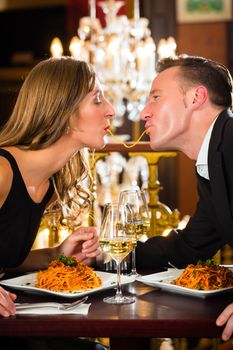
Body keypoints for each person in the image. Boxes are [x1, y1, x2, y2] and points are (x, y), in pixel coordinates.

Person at [0, 56, 114, 349]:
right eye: (97, 99)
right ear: (62, 110)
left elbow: (6, 257)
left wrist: (56, 254)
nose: (110, 111)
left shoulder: (48, 184)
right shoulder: (2, 171)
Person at [136, 54, 233, 342]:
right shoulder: (213, 160)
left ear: (196, 97)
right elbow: (190, 247)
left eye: (156, 97)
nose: (144, 112)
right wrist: (114, 257)